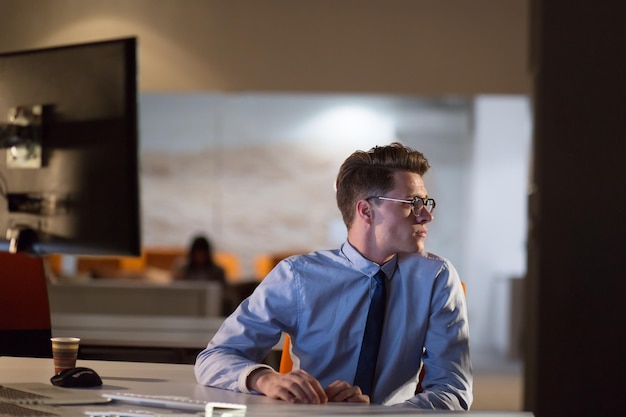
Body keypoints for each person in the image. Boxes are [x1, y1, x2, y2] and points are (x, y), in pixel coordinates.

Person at [194, 142, 472, 409]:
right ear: (366, 211)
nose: (426, 216)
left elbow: (453, 391)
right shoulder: (297, 277)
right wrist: (265, 379)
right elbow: (215, 357)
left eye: (426, 203)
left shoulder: (436, 279)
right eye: (412, 202)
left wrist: (376, 414)